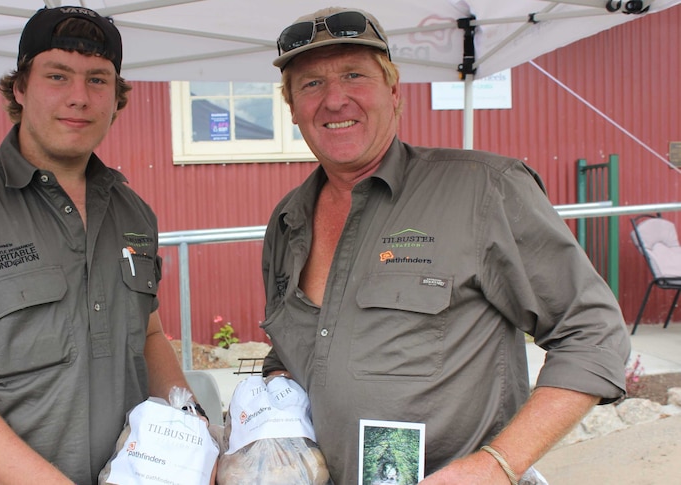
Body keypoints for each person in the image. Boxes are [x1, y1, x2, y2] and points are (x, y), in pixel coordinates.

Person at [260, 6, 632, 484]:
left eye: (354, 75)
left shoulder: (485, 190)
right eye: (310, 84)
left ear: (394, 93)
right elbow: (289, 354)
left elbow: (592, 333)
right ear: (292, 108)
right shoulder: (288, 220)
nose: (334, 100)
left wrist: (496, 465)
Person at [0, 6, 197, 485]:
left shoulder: (132, 212)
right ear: (20, 88)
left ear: (117, 98)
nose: (78, 97)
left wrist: (194, 429)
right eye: (57, 75)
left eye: (97, 80)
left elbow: (147, 335)